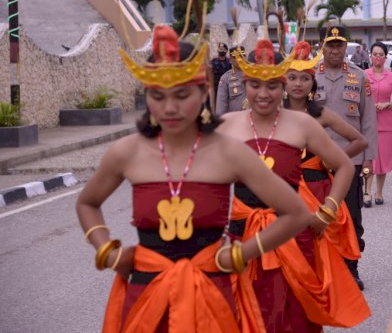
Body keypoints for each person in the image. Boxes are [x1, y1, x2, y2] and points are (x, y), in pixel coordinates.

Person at [76, 26, 309, 332]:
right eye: (157, 96)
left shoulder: (229, 152)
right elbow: (87, 203)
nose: (169, 107)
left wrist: (241, 253)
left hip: (212, 293)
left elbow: (296, 213)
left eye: (182, 94)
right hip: (146, 294)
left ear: (203, 92)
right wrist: (108, 251)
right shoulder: (126, 152)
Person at [220, 39, 370, 331]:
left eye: (272, 85)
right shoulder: (226, 124)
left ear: (282, 85)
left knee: (295, 315)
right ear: (245, 83)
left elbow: (342, 167)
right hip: (242, 237)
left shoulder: (304, 125)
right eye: (255, 84)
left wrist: (326, 212)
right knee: (245, 315)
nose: (263, 94)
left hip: (295, 238)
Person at [285, 40, 369, 283]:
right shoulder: (274, 113)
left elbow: (359, 140)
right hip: (283, 188)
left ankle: (347, 271)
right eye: (292, 78)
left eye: (304, 78)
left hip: (317, 187)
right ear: (284, 82)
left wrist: (330, 161)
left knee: (333, 229)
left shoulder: (320, 114)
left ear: (313, 83)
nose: (298, 84)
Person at [314, 25, 378, 289]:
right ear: (322, 46)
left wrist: (369, 158)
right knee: (316, 214)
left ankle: (351, 267)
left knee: (351, 215)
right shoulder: (307, 75)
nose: (335, 50)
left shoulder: (359, 76)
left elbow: (368, 120)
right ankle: (320, 267)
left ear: (345, 47)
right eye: (330, 44)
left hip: (349, 161)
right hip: (314, 160)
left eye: (339, 44)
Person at [364, 41, 392, 207]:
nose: (377, 57)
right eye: (375, 54)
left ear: (386, 57)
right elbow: (357, 98)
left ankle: (379, 192)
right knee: (369, 158)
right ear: (370, 56)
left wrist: (388, 104)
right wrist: (368, 105)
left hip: (386, 123)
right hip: (367, 123)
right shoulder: (363, 75)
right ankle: (367, 192)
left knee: (383, 160)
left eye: (381, 55)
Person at [215, 45, 246, 116]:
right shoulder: (226, 78)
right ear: (230, 60)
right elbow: (221, 105)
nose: (239, 59)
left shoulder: (253, 75)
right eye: (236, 57)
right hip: (234, 121)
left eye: (242, 56)